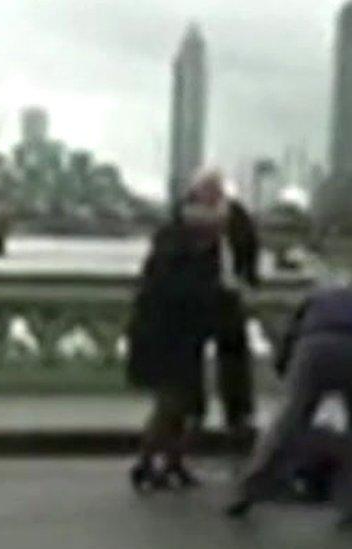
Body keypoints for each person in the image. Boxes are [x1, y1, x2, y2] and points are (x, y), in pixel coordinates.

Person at [225, 271, 352, 529]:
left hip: (312, 348)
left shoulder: (313, 298)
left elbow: (289, 337)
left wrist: (285, 370)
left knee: (288, 420)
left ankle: (249, 490)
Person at [126, 198, 224, 491]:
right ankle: (147, 462)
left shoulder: (175, 250)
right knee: (173, 404)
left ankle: (172, 462)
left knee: (183, 406)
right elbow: (182, 294)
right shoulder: (181, 256)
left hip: (176, 337)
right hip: (168, 337)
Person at [184, 170, 260, 435]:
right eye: (206, 189)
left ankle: (238, 413)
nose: (211, 194)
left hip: (229, 293)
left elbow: (250, 246)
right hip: (197, 295)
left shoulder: (236, 214)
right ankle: (194, 412)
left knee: (235, 354)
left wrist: (248, 280)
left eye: (215, 189)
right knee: (191, 357)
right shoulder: (187, 214)